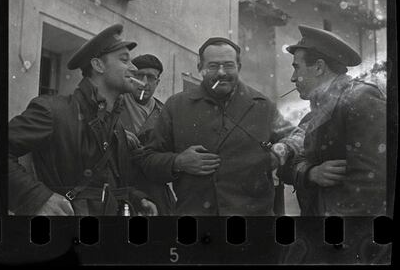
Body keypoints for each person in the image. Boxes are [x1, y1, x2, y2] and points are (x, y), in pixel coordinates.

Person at [135, 37, 304, 216]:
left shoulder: (262, 106)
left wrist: (282, 149)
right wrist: (178, 162)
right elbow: (148, 160)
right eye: (213, 66)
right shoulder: (176, 106)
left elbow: (300, 137)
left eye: (229, 65)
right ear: (200, 68)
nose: (221, 72)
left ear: (239, 67)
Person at [8, 24, 158, 216]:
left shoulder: (116, 126)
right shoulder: (53, 110)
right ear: (98, 65)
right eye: (124, 60)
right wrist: (36, 198)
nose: (134, 68)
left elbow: (103, 182)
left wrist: (136, 199)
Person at [286, 25, 386, 216]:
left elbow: (373, 184)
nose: (293, 78)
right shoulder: (316, 112)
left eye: (296, 68)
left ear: (319, 67)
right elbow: (287, 165)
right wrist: (311, 173)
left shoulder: (361, 100)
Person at [120, 54, 176, 214]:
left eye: (151, 77)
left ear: (157, 82)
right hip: (120, 189)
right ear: (131, 77)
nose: (144, 82)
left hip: (155, 193)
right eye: (139, 75)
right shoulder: (113, 104)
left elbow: (171, 157)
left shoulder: (165, 113)